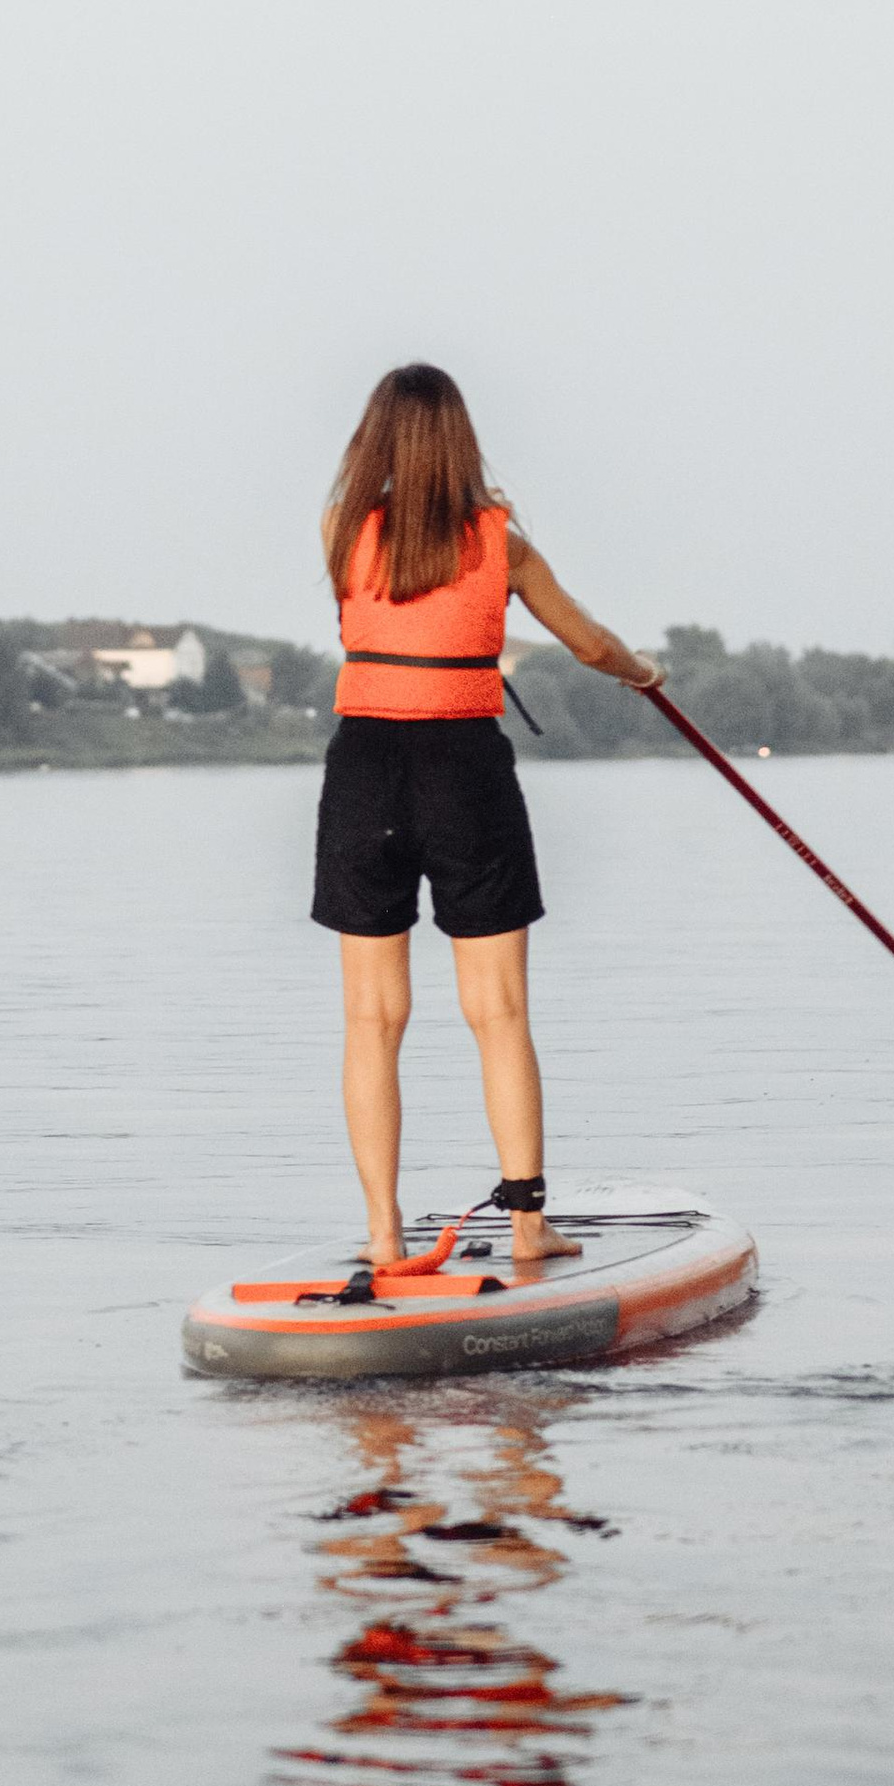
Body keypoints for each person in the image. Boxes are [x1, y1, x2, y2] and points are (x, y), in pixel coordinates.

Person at [312, 362, 662, 1269]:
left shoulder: (341, 526)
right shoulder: (500, 540)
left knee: (371, 1018)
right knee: (498, 1010)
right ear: (461, 440)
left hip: (363, 770)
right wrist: (640, 671)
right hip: (463, 769)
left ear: (373, 439)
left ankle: (384, 1234)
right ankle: (527, 1225)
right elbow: (588, 643)